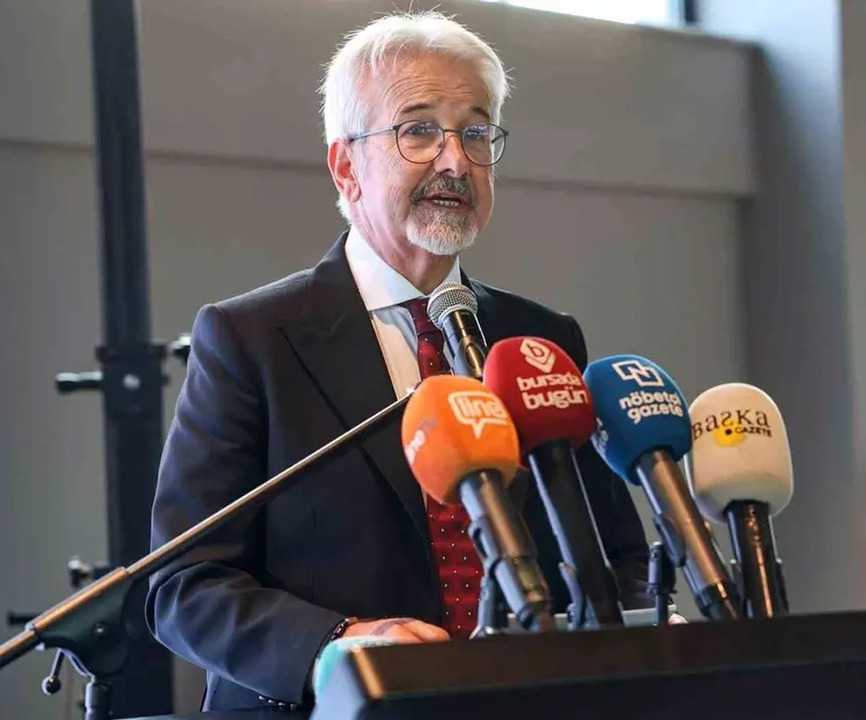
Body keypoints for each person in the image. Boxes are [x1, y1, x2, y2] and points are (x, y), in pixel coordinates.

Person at [146, 12, 650, 712]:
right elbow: (184, 585)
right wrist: (335, 645)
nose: (456, 161)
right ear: (346, 166)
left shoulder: (540, 339)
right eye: (419, 131)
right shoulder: (252, 339)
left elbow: (618, 555)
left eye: (476, 133)